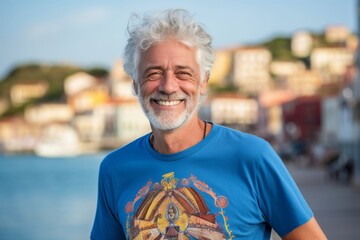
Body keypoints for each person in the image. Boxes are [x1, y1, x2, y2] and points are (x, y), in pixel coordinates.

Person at [91, 9, 327, 240]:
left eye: (183, 73)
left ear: (203, 82)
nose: (168, 86)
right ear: (135, 84)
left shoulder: (253, 157)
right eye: (153, 73)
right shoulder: (114, 170)